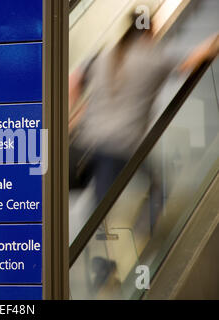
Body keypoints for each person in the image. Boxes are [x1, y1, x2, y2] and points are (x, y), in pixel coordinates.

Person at [69, 11, 218, 292]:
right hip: (120, 148)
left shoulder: (105, 56)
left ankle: (110, 262)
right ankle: (121, 256)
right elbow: (192, 60)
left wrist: (72, 116)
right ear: (149, 31)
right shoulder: (154, 58)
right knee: (123, 204)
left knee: (103, 206)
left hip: (89, 143)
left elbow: (73, 80)